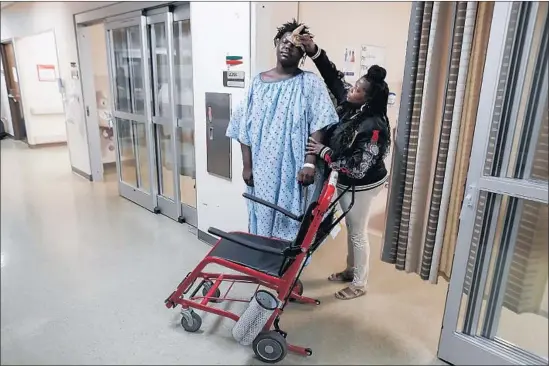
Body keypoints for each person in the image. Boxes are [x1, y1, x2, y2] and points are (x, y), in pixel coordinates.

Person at [226, 20, 339, 241]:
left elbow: (320, 123)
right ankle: (263, 268)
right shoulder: (256, 83)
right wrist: (247, 166)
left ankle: (285, 273)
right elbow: (242, 127)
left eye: (295, 44)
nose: (288, 46)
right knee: (263, 215)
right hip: (262, 168)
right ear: (277, 44)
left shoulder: (310, 83)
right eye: (284, 41)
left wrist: (309, 162)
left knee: (293, 221)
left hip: (295, 168)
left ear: (303, 53)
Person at [300, 35, 391, 300]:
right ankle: (351, 271)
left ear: (368, 99)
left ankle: (359, 283)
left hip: (363, 183)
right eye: (354, 86)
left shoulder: (373, 125)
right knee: (351, 228)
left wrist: (324, 152)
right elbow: (332, 76)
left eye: (358, 89)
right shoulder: (352, 106)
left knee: (357, 231)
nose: (351, 89)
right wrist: (314, 51)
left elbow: (357, 168)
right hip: (346, 178)